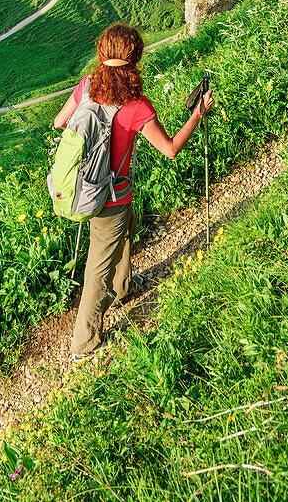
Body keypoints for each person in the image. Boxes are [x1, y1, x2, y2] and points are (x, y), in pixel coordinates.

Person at [53, 21, 213, 360]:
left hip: (86, 186)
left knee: (127, 232)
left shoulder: (86, 86)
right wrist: (197, 115)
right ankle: (84, 342)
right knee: (99, 264)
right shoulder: (136, 105)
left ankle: (123, 288)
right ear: (135, 58)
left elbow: (59, 123)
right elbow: (169, 149)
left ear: (102, 55)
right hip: (110, 197)